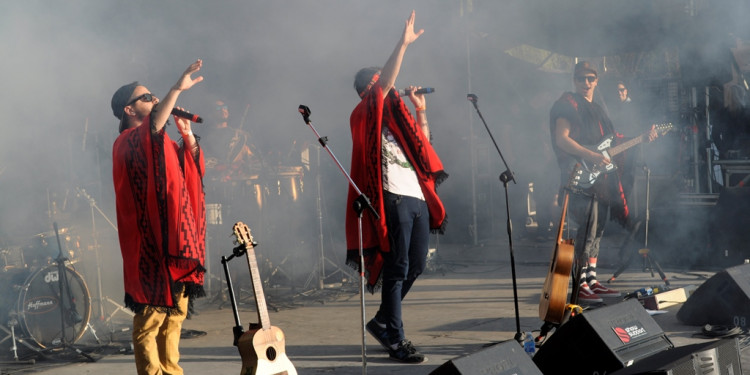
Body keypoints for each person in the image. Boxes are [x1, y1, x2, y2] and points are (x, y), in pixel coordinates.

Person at [346, 10, 447, 364]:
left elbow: (425, 148)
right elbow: (385, 84)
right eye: (379, 84)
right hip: (392, 195)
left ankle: (381, 321)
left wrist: (420, 112)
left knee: (417, 263)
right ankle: (396, 339)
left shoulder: (397, 119)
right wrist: (402, 45)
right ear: (367, 91)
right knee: (397, 265)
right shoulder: (362, 115)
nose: (388, 89)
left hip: (416, 194)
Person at [111, 59, 206, 375]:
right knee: (152, 316)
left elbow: (188, 172)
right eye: (146, 97)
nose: (153, 100)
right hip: (150, 243)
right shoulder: (127, 142)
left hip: (176, 238)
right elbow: (152, 128)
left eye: (154, 96)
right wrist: (176, 88)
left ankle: (172, 371)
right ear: (129, 110)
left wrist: (189, 138)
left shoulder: (159, 139)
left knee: (175, 315)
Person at [549, 61, 658, 303]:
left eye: (590, 78)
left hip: (598, 179)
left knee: (597, 229)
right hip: (578, 174)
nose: (585, 83)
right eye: (581, 79)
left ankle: (591, 280)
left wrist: (641, 139)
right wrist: (592, 156)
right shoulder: (567, 105)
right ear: (574, 81)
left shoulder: (597, 109)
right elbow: (562, 140)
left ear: (597, 81)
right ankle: (579, 284)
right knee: (586, 229)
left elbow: (612, 141)